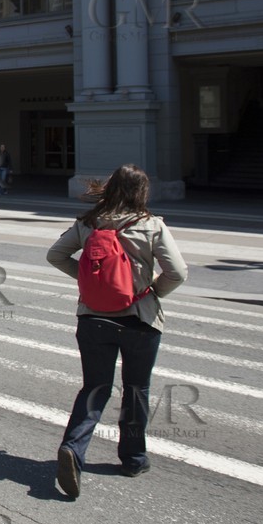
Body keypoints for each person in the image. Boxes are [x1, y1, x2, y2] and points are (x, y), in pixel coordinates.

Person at [46, 163, 188, 499]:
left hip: (93, 319)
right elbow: (178, 272)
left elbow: (55, 255)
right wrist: (153, 291)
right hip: (140, 318)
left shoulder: (88, 223)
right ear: (141, 192)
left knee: (95, 388)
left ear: (110, 189)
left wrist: (89, 280)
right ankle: (133, 459)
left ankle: (73, 449)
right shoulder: (151, 225)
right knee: (136, 389)